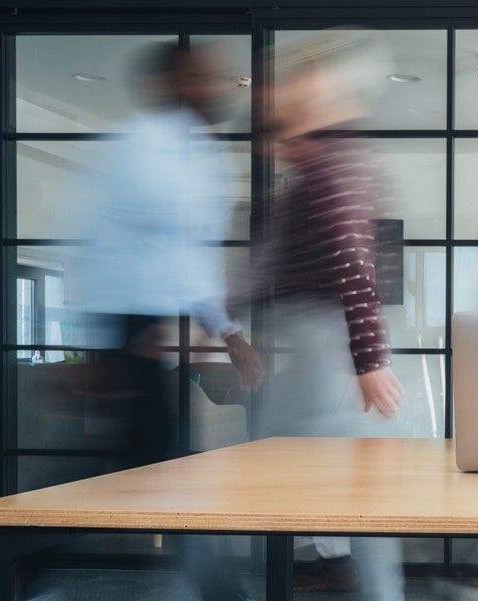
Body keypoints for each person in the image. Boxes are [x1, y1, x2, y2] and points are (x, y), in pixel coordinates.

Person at [70, 41, 264, 601]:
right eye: (201, 78)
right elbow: (93, 245)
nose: (217, 86)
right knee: (143, 470)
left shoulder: (202, 155)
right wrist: (100, 346)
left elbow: (191, 258)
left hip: (159, 330)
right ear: (170, 85)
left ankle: (205, 584)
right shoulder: (133, 149)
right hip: (127, 330)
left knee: (155, 468)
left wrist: (229, 333)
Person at [252, 31, 405, 600]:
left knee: (259, 467)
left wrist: (369, 358)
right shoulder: (322, 167)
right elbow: (275, 267)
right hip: (316, 339)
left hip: (322, 340)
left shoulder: (328, 173)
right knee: (353, 483)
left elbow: (352, 268)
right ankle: (361, 578)